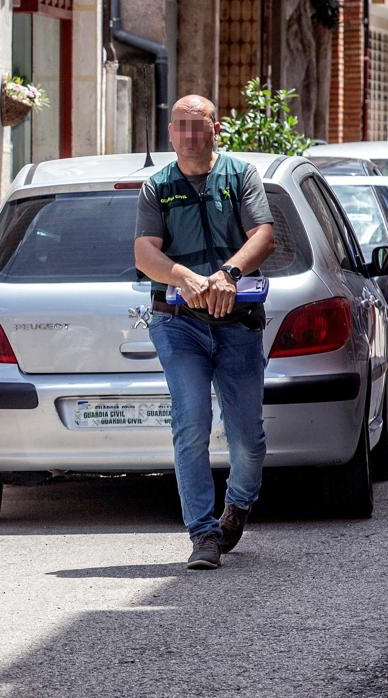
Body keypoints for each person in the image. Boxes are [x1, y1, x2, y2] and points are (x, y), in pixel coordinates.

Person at [133, 95, 276, 570]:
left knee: (248, 437)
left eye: (200, 125)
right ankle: (203, 533)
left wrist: (226, 275)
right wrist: (185, 277)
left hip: (237, 323)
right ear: (170, 133)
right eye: (181, 126)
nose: (191, 134)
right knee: (190, 422)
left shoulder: (241, 176)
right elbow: (144, 254)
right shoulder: (157, 187)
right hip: (179, 326)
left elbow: (263, 236)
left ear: (216, 128)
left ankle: (237, 505)